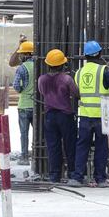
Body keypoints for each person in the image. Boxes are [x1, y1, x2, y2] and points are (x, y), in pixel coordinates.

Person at [72, 40, 109, 187]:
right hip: (104, 115)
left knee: (82, 146)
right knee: (101, 147)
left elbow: (76, 93)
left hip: (85, 114)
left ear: (85, 56)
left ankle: (77, 177)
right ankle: (100, 178)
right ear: (100, 54)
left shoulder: (79, 72)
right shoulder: (105, 70)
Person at [37, 49, 78, 183]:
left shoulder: (42, 79)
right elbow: (76, 93)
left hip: (50, 116)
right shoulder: (66, 78)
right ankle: (72, 173)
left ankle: (55, 175)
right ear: (62, 65)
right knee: (70, 145)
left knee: (53, 146)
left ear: (48, 64)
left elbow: (42, 93)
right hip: (65, 115)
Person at [12, 40, 35, 165]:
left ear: (27, 54)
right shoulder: (39, 66)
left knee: (24, 134)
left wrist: (22, 89)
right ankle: (38, 157)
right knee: (38, 135)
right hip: (36, 105)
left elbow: (16, 86)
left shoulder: (22, 68)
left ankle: (24, 158)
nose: (20, 56)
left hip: (24, 106)